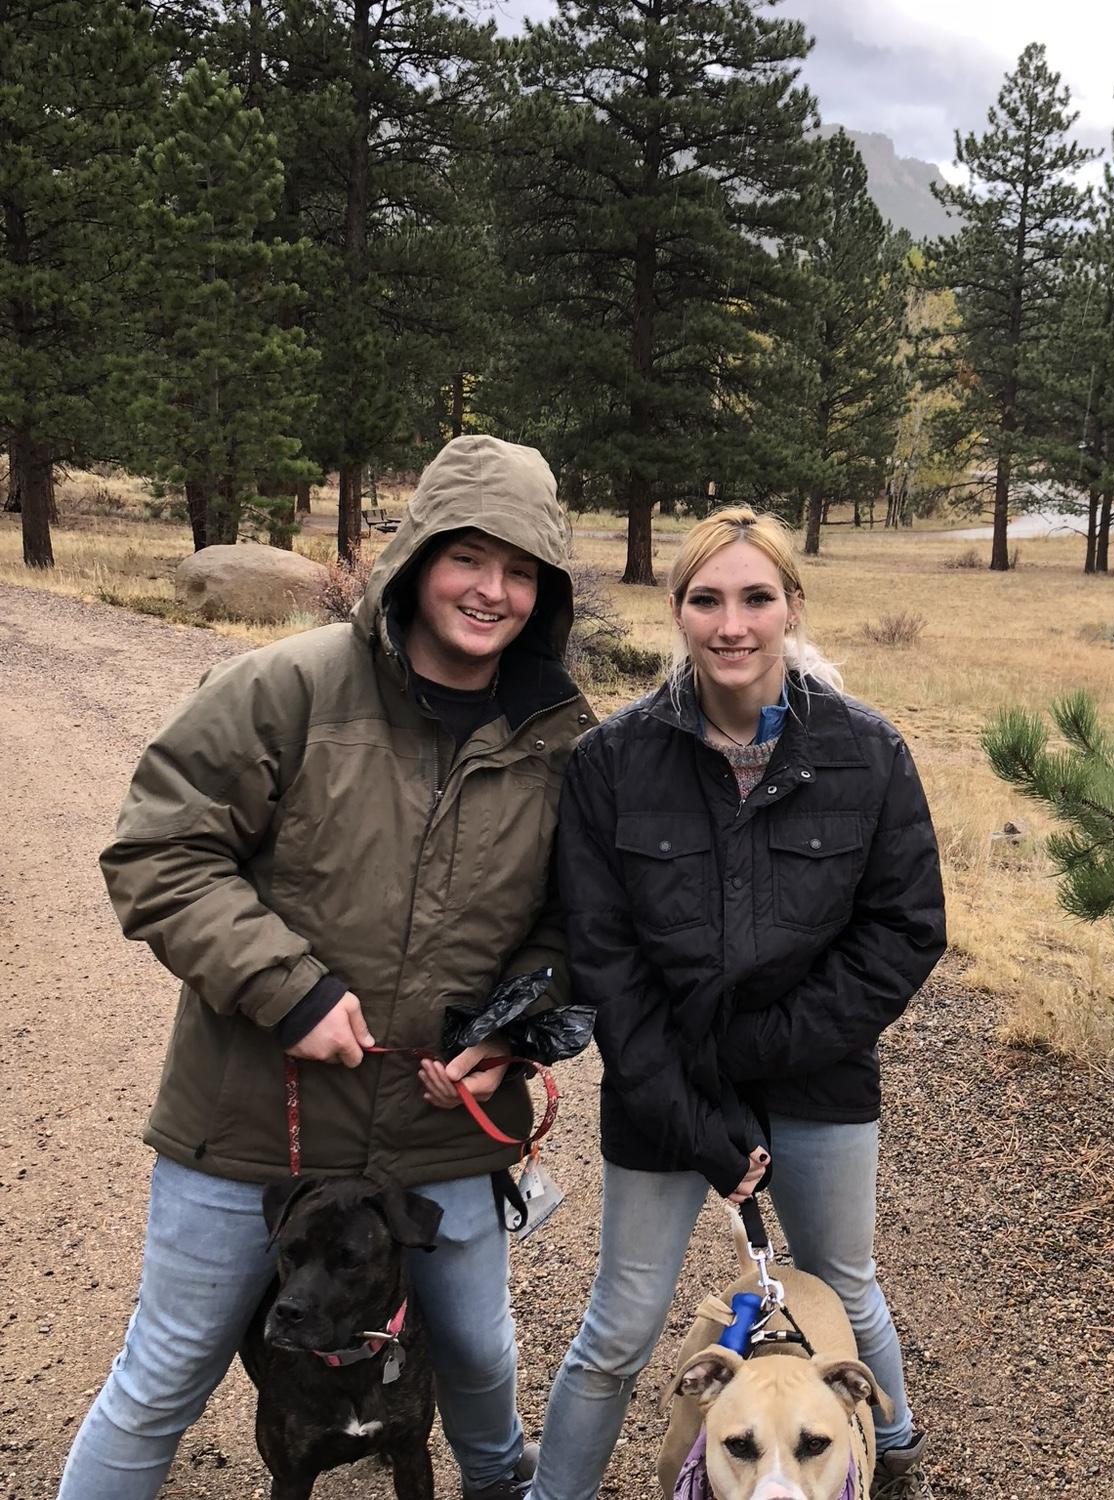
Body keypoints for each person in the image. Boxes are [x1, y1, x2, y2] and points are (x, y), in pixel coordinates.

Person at [57, 435, 595, 1500]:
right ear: (416, 558)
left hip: (442, 1133)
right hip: (251, 1121)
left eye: (522, 569)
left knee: (484, 1365)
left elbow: (571, 927)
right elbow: (159, 851)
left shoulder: (559, 745)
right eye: (468, 558)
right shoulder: (287, 688)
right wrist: (287, 987)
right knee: (165, 1375)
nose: (493, 591)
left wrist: (506, 1035)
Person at [531, 507, 946, 1500]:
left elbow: (904, 931)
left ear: (793, 607)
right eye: (706, 599)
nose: (732, 625)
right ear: (676, 612)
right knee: (622, 1324)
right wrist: (695, 1115)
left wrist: (758, 1050)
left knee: (847, 1289)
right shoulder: (611, 764)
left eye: (757, 597)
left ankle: (897, 1464)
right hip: (661, 1089)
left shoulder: (869, 755)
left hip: (818, 1077)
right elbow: (607, 965)